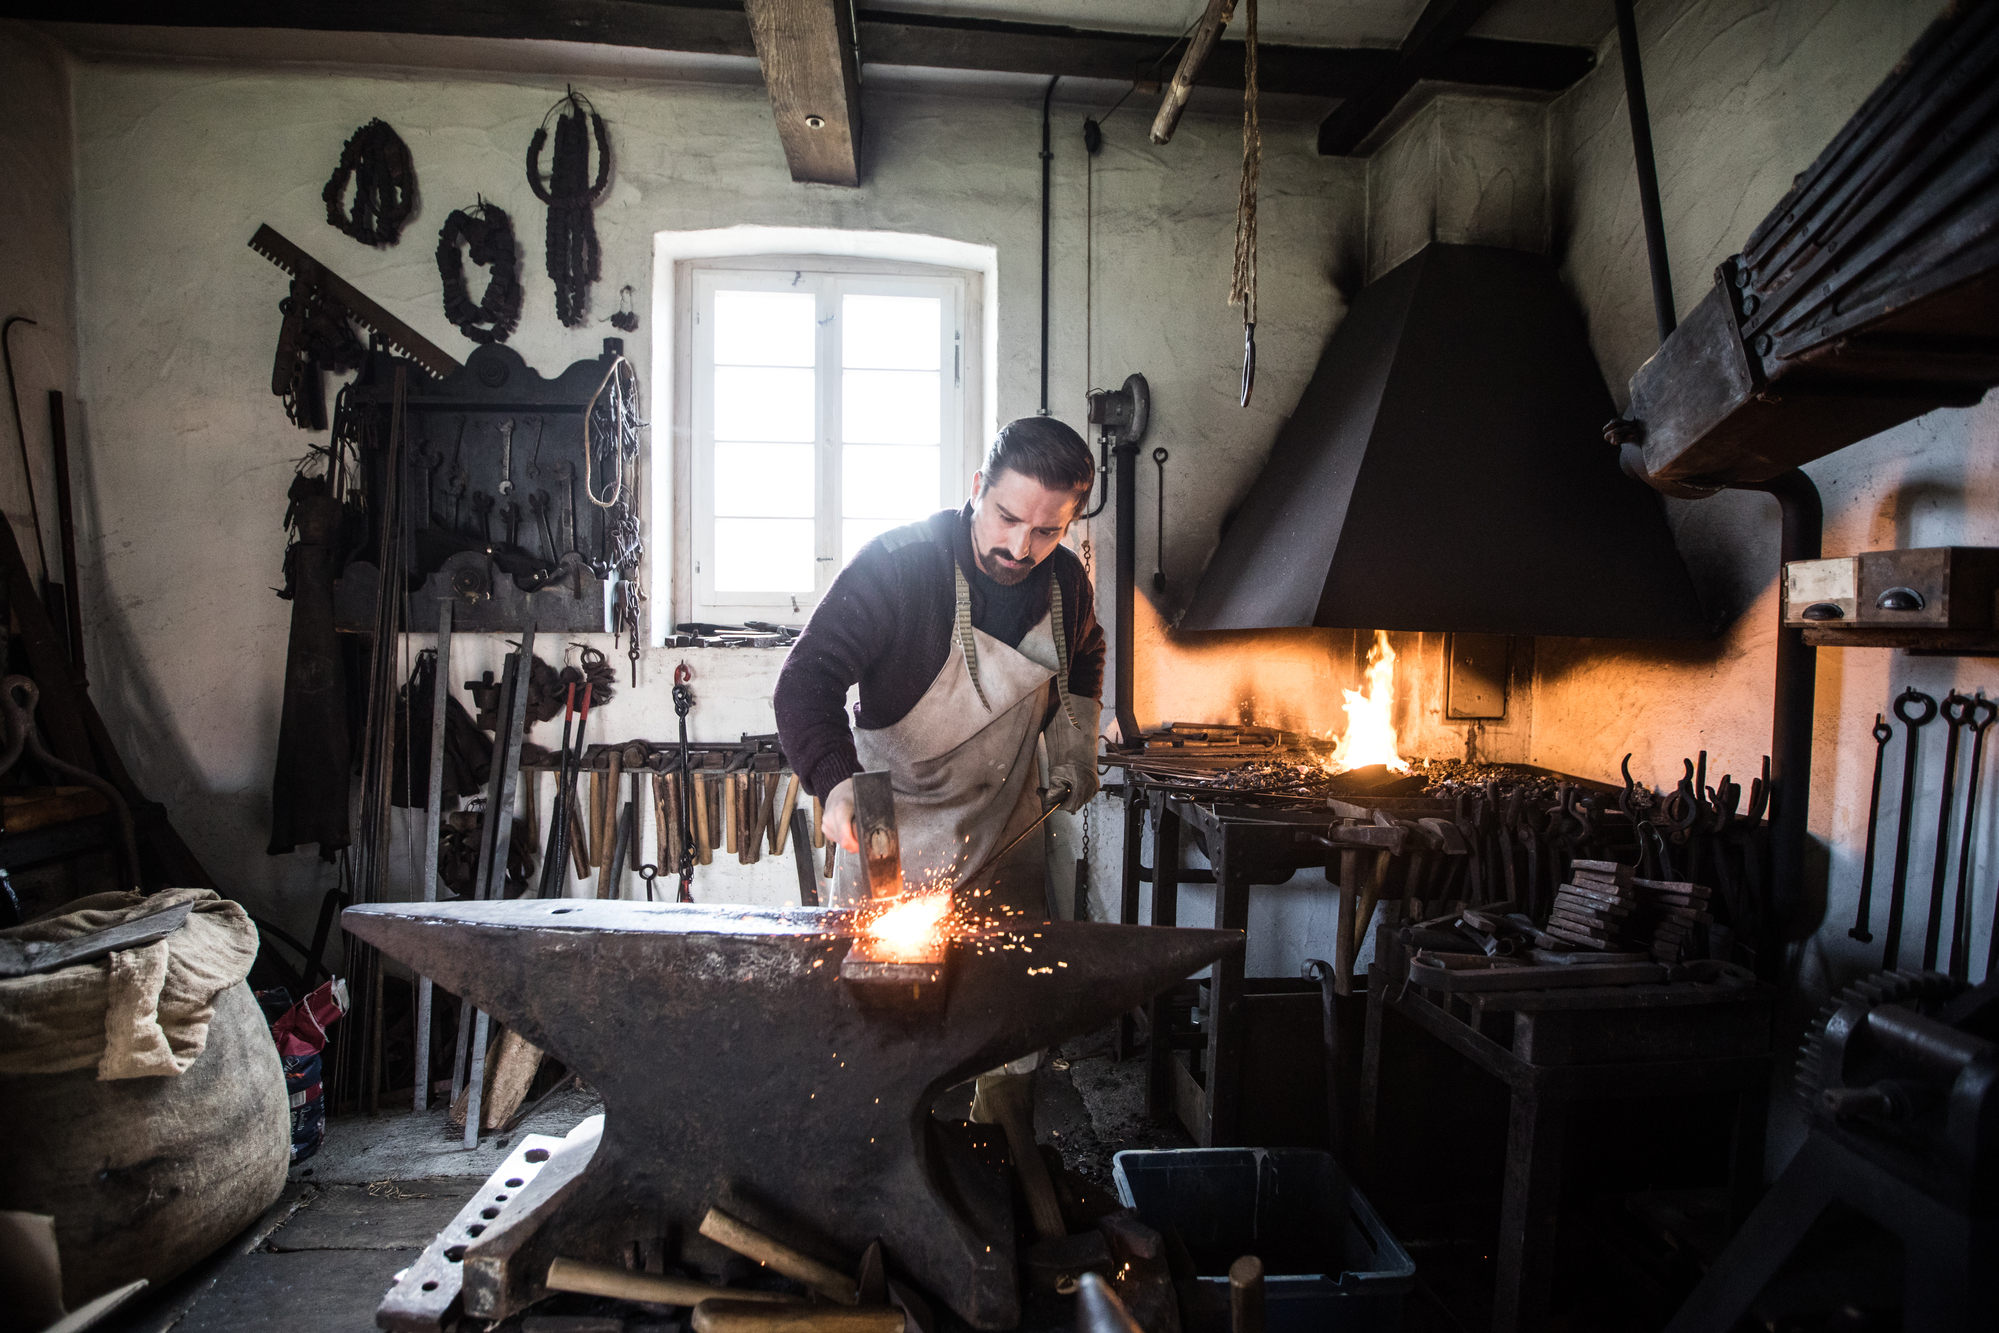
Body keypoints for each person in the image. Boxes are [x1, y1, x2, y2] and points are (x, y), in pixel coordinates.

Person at [774, 416, 1105, 919]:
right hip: (891, 840)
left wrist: (1074, 752)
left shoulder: (1067, 584)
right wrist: (836, 781)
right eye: (1007, 518)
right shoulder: (898, 566)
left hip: (1004, 842)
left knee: (1001, 991)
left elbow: (1087, 654)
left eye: (1046, 531)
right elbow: (806, 680)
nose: (1020, 548)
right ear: (977, 488)